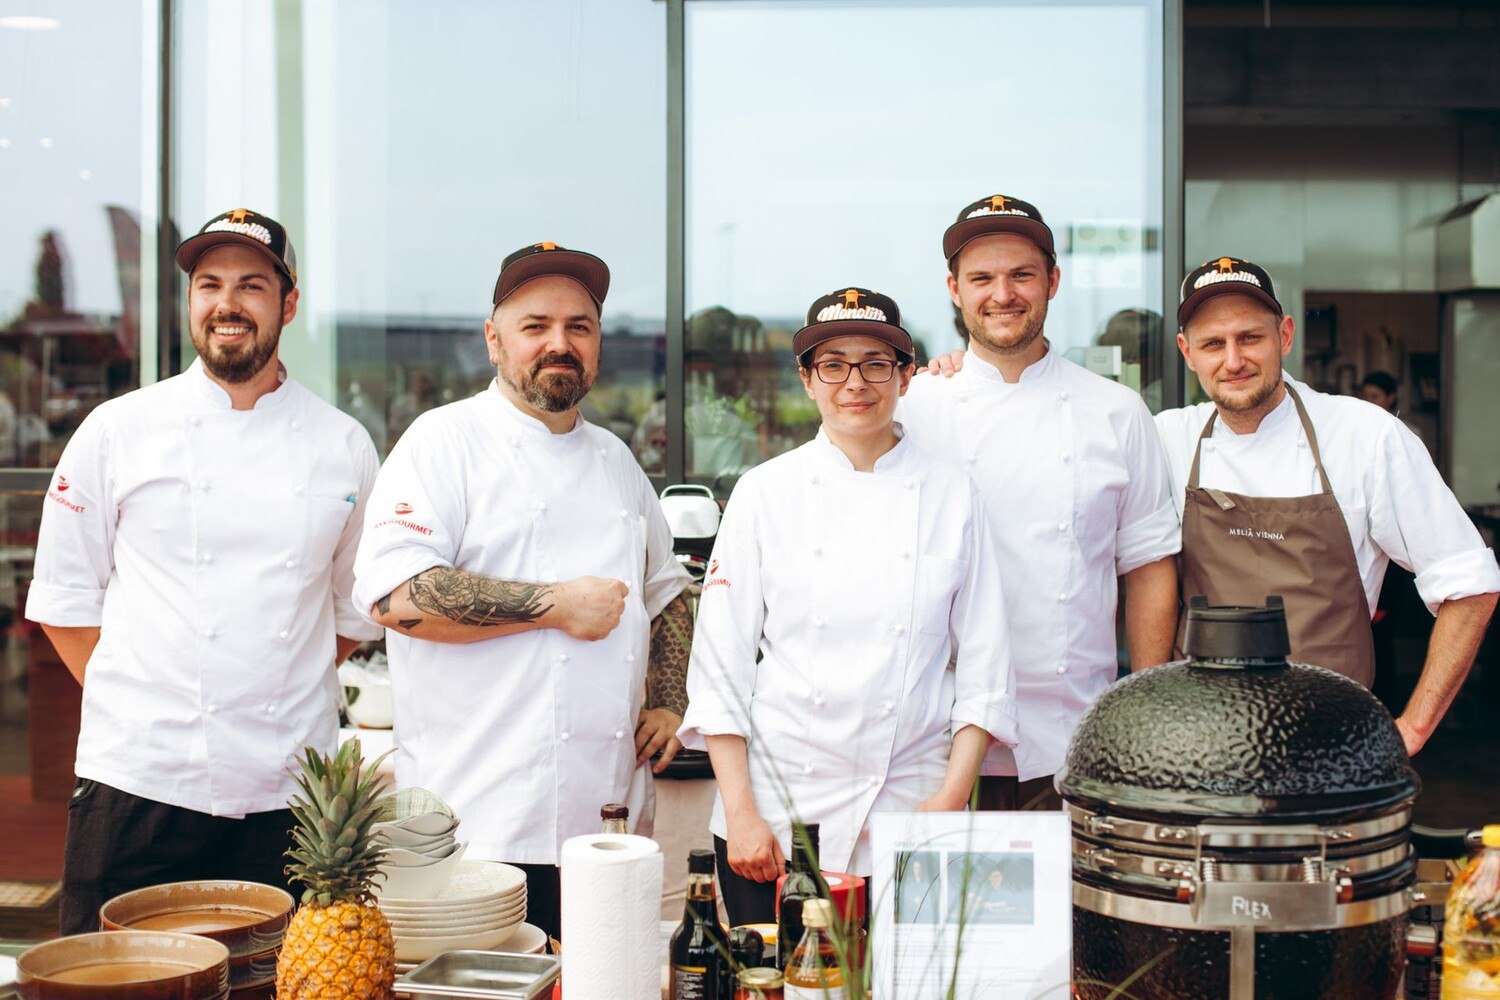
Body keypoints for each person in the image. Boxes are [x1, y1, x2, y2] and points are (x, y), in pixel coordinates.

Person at [25, 208, 383, 934]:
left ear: (288, 304)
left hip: (286, 796)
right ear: (190, 302)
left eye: (252, 285)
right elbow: (65, 603)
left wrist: (263, 686)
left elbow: (347, 617)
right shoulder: (118, 430)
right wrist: (150, 702)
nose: (228, 303)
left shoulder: (343, 445)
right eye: (209, 284)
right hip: (136, 783)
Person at [352, 241, 694, 940]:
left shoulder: (617, 460)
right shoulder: (441, 442)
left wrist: (668, 696)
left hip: (609, 824)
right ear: (494, 339)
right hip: (478, 823)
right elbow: (396, 595)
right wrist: (556, 605)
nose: (559, 344)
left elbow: (670, 594)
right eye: (536, 326)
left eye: (579, 327)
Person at [677, 286, 1016, 926]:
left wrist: (950, 797)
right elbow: (720, 672)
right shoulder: (763, 493)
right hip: (776, 814)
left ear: (906, 377)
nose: (853, 382)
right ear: (808, 381)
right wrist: (743, 813)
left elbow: (985, 667)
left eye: (875, 363)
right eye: (832, 364)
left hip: (912, 808)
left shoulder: (953, 496)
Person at [899, 194, 1181, 811]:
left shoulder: (1115, 411)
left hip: (1073, 740)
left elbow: (1150, 567)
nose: (1003, 294)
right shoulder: (912, 409)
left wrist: (1142, 712)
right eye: (982, 278)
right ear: (954, 289)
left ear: (1053, 281)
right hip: (930, 745)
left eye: (1021, 274)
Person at [1155, 256, 1500, 754]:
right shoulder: (1168, 437)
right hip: (1202, 747)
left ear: (1285, 336)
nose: (1233, 360)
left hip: (1333, 748)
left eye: (1250, 337)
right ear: (1187, 352)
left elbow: (1471, 585)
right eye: (1213, 344)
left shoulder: (1365, 436)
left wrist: (1413, 728)